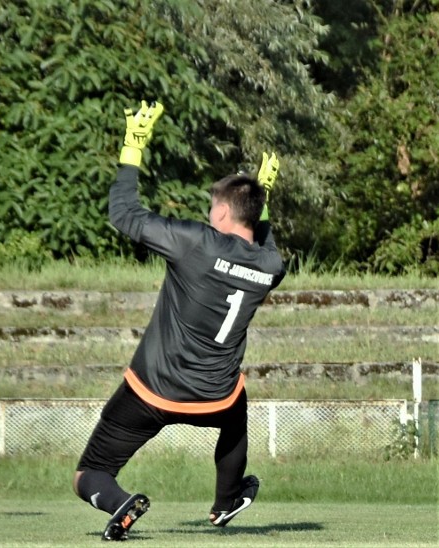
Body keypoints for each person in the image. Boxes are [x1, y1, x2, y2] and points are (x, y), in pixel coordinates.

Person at [73, 101, 286, 541]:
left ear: (222, 214)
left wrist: (133, 147)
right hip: (214, 397)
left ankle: (119, 502)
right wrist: (262, 196)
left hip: (152, 390)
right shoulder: (271, 264)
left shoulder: (198, 244)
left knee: (90, 471)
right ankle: (226, 500)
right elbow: (261, 237)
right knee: (237, 407)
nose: (211, 214)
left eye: (214, 208)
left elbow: (124, 215)